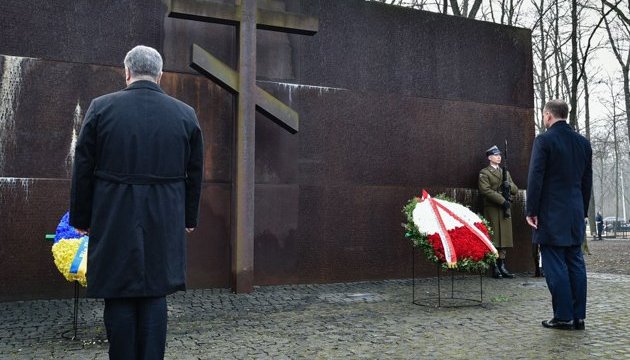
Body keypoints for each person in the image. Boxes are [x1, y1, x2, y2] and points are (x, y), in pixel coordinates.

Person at [70, 45, 204, 358]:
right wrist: (188, 218)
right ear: (161, 74)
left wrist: (81, 219)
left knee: (118, 292)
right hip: (165, 214)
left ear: (127, 72)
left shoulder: (101, 108)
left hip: (113, 212)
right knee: (155, 291)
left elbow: (83, 168)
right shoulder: (185, 114)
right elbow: (195, 172)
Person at [525, 99, 592, 331]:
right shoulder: (583, 143)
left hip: (551, 213)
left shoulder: (544, 141)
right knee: (575, 263)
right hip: (574, 212)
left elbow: (536, 177)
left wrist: (531, 210)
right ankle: (579, 316)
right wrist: (582, 211)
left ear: (548, 116)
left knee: (555, 265)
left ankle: (564, 317)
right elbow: (586, 182)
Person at [478, 145, 518, 278]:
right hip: (493, 208)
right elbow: (485, 190)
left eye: (500, 155)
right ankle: (494, 266)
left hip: (504, 209)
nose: (499, 157)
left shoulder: (505, 172)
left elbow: (515, 189)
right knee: (494, 238)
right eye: (496, 155)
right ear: (489, 157)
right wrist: (502, 200)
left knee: (504, 239)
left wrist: (509, 185)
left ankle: (502, 265)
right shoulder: (485, 172)